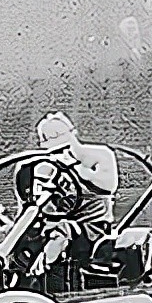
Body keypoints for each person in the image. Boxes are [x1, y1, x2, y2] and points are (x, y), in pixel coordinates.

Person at [27, 112, 120, 276]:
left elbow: (108, 186)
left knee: (63, 230)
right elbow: (43, 205)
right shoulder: (45, 166)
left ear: (72, 133)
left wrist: (74, 168)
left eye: (58, 136)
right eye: (47, 139)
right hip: (57, 223)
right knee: (27, 233)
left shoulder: (101, 155)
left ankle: (39, 272)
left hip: (93, 227)